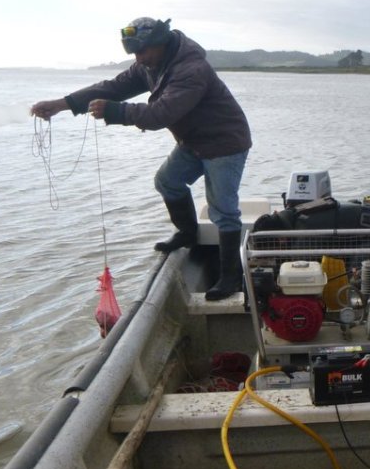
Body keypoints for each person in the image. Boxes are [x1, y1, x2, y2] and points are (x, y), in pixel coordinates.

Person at [31, 17, 252, 301]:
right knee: (167, 181)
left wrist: (116, 112)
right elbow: (112, 88)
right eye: (134, 53)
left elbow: (160, 114)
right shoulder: (150, 65)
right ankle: (187, 233)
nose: (139, 58)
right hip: (195, 140)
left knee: (222, 209)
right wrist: (62, 104)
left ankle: (230, 277)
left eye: (143, 51)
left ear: (161, 43)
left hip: (225, 142)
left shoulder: (191, 69)